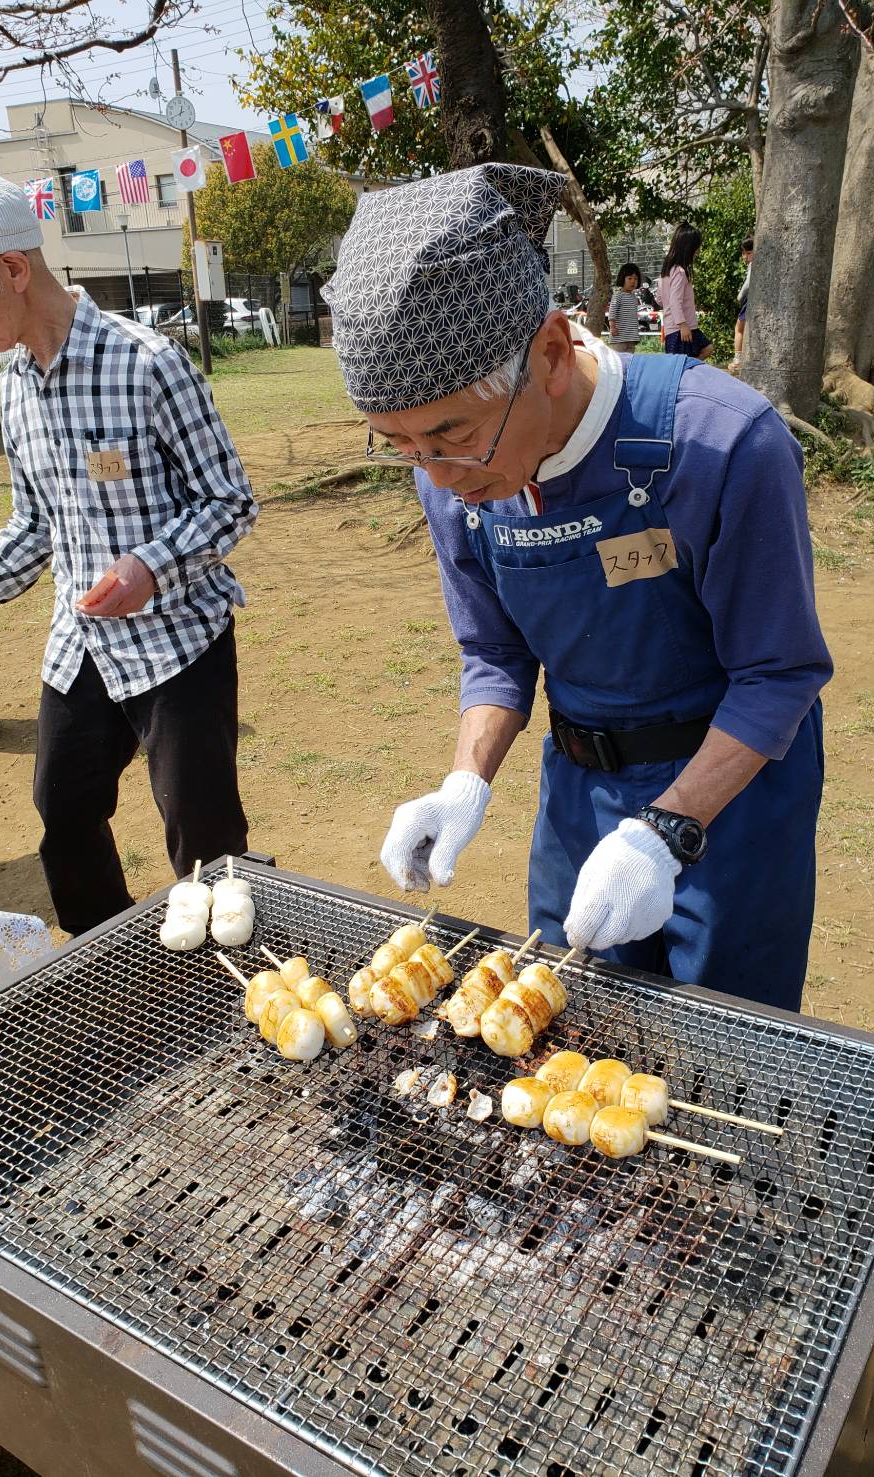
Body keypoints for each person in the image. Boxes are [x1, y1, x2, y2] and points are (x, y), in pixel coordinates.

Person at [323, 164, 831, 1012]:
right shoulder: (447, 478)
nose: (439, 476)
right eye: (400, 444)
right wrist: (466, 781)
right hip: (580, 789)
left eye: (454, 437)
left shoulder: (724, 444)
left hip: (736, 796)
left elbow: (779, 676)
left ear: (552, 354)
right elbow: (495, 652)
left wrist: (666, 831)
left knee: (721, 1048)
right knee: (565, 1034)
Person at [0, 168, 258, 936]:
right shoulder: (13, 383)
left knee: (205, 836)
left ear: (13, 271)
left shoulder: (147, 362)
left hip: (178, 640)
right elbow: (35, 524)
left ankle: (237, 988)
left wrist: (150, 565)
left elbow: (230, 501)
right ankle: (110, 959)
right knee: (63, 812)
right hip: (80, 643)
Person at [659, 222, 712, 360]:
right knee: (682, 366)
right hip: (681, 329)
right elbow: (675, 300)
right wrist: (682, 325)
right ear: (688, 249)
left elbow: (660, 299)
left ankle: (692, 371)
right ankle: (690, 374)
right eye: (696, 249)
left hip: (678, 328)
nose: (698, 252)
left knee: (706, 349)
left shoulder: (667, 271)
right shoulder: (679, 272)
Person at [607, 263, 641, 354]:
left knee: (629, 363)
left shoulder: (634, 297)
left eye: (635, 279)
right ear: (623, 279)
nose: (633, 281)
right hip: (619, 339)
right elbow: (612, 312)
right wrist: (612, 327)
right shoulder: (618, 296)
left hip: (631, 338)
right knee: (618, 363)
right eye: (629, 278)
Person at [731, 237, 753, 369]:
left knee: (739, 328)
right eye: (744, 253)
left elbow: (748, 283)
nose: (745, 256)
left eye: (749, 253)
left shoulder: (753, 264)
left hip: (748, 299)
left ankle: (738, 359)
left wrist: (740, 296)